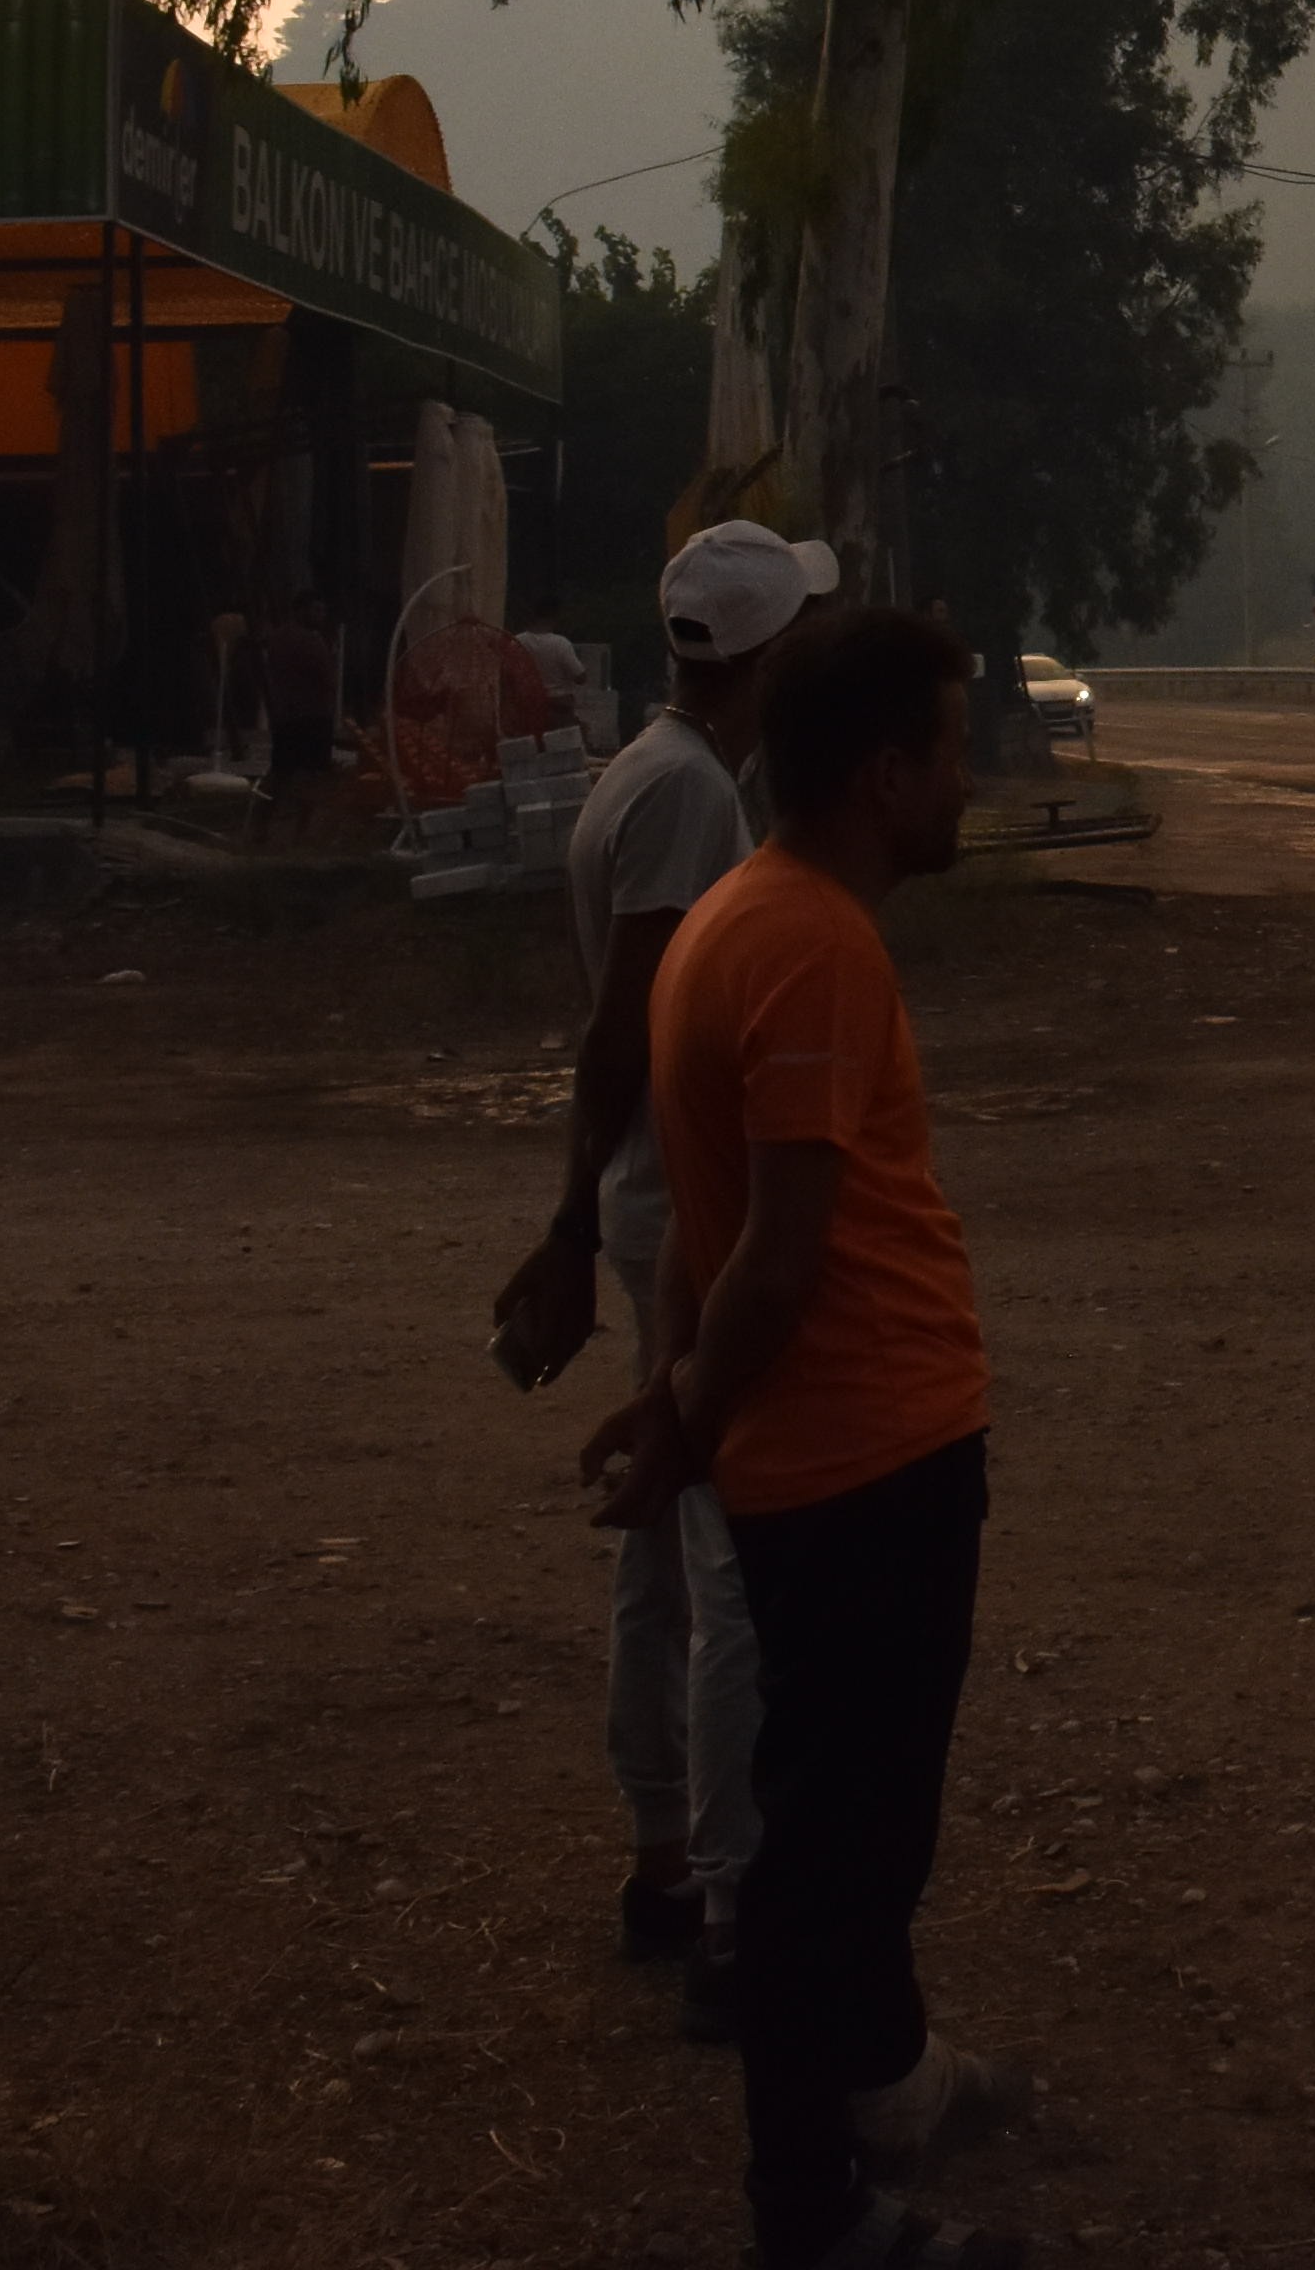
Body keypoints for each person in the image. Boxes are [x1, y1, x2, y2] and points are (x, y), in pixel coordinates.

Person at [584, 605, 1035, 2270]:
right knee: (834, 1847)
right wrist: (691, 1412)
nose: (968, 792)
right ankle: (811, 2207)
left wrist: (677, 1390)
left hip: (841, 1447)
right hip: (861, 1459)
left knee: (855, 1828)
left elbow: (712, 1225)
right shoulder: (811, 948)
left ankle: (878, 2086)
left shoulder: (741, 920)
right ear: (884, 774)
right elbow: (775, 1246)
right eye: (955, 757)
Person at [494, 519, 836, 2036]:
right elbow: (629, 1030)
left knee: (658, 1546)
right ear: (766, 657)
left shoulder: (645, 772)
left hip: (639, 1195)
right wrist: (573, 1221)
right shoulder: (695, 801)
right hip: (673, 1203)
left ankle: (659, 1860)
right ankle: (726, 1902)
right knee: (721, 1559)